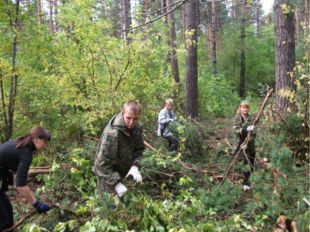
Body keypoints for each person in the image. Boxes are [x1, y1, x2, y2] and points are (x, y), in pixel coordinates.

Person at [0, 127, 51, 231]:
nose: (45, 145)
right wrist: (36, 203)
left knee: (8, 213)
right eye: (44, 142)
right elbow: (21, 185)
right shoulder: (26, 152)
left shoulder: (21, 145)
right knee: (4, 219)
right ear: (36, 139)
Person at [93, 100, 145, 198]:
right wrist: (116, 183)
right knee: (108, 208)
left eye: (135, 119)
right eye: (128, 118)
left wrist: (135, 166)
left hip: (124, 173)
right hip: (108, 177)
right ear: (122, 114)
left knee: (125, 207)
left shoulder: (137, 128)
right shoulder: (113, 134)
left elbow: (139, 150)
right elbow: (100, 165)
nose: (131, 122)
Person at [233, 101, 256, 191]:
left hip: (251, 144)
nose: (245, 109)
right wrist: (245, 129)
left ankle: (250, 181)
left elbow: (255, 131)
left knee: (251, 163)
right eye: (243, 107)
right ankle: (245, 183)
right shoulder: (236, 118)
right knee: (245, 163)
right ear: (240, 108)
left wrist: (253, 130)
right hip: (241, 144)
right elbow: (235, 130)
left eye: (247, 107)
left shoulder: (252, 118)